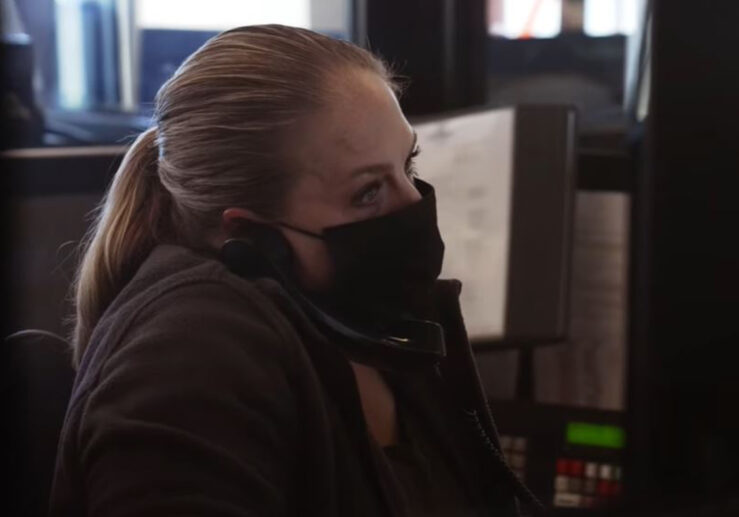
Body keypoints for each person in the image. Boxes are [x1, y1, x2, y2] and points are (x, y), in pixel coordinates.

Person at [49, 25, 541, 517]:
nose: (415, 205)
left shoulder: (367, 322)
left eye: (407, 166)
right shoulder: (191, 356)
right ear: (247, 234)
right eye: (368, 192)